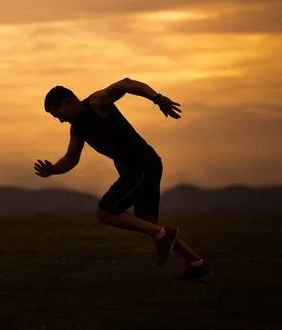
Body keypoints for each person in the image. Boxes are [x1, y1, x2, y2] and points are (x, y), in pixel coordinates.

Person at [35, 78, 212, 280]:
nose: (60, 120)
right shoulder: (77, 129)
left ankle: (164, 235)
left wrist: (158, 98)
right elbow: (71, 158)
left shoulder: (97, 102)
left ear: (67, 102)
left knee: (104, 212)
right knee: (150, 222)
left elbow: (125, 84)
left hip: (141, 166)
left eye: (58, 114)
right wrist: (53, 170)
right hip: (141, 167)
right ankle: (197, 263)